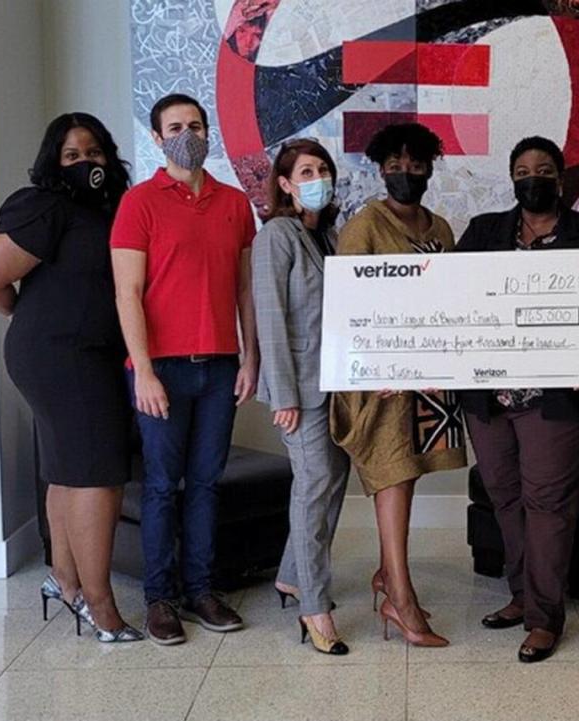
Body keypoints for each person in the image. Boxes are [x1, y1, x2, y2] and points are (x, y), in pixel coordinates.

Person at [0, 113, 142, 643]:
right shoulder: (47, 205)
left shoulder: (112, 211)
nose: (86, 163)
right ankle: (100, 606)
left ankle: (65, 584)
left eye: (94, 153)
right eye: (72, 156)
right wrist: (29, 313)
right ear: (53, 163)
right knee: (97, 473)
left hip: (87, 353)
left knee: (67, 469)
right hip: (61, 355)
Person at [456, 136, 579, 663]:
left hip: (557, 397)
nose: (534, 177)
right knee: (505, 498)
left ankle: (543, 618)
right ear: (512, 178)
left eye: (544, 169)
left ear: (560, 178)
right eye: (523, 169)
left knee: (548, 505)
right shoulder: (485, 231)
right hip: (489, 397)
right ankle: (520, 595)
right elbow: (451, 297)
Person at [110, 93, 259, 646]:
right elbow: (127, 293)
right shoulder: (139, 203)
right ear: (156, 138)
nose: (187, 134)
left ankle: (200, 591)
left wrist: (252, 357)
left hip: (220, 367)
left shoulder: (234, 204)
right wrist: (143, 371)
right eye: (175, 127)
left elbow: (246, 288)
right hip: (161, 371)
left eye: (196, 125)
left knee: (205, 484)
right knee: (161, 489)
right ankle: (160, 599)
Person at [331, 122, 467, 647]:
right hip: (383, 381)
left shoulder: (442, 228)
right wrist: (377, 368)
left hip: (428, 381)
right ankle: (401, 601)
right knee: (393, 477)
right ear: (379, 168)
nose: (404, 172)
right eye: (394, 164)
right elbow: (348, 307)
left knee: (410, 475)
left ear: (430, 166)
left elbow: (454, 300)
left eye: (415, 164)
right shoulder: (364, 225)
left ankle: (389, 577)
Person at [252, 138, 350, 655]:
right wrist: (283, 397)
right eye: (306, 171)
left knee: (334, 480)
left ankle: (292, 575)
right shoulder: (277, 236)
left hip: (335, 383)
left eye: (323, 169)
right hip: (298, 390)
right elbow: (271, 320)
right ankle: (316, 606)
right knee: (313, 488)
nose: (317, 178)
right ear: (286, 184)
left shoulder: (329, 236)